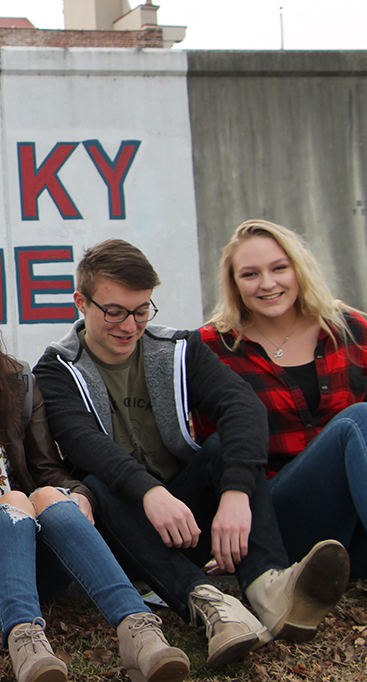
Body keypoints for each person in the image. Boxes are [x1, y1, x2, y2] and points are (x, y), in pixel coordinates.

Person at [33, 239, 350, 669]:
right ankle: (211, 605)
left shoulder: (178, 349)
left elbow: (242, 406)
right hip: (121, 530)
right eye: (115, 312)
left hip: (186, 518)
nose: (130, 325)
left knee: (224, 447)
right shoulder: (55, 368)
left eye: (142, 310)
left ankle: (268, 588)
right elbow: (84, 443)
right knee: (93, 484)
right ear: (81, 303)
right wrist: (149, 492)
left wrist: (235, 493)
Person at [0, 257, 189, 682]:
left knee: (47, 496)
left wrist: (78, 494)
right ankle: (26, 644)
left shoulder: (17, 382)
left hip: (30, 551)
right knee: (13, 500)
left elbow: (48, 471)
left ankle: (139, 633)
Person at [200, 219, 367, 579]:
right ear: (234, 284)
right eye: (250, 274)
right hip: (274, 516)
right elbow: (202, 449)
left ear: (299, 269)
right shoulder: (213, 348)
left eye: (279, 268)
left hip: (353, 513)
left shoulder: (351, 329)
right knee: (359, 420)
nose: (268, 284)